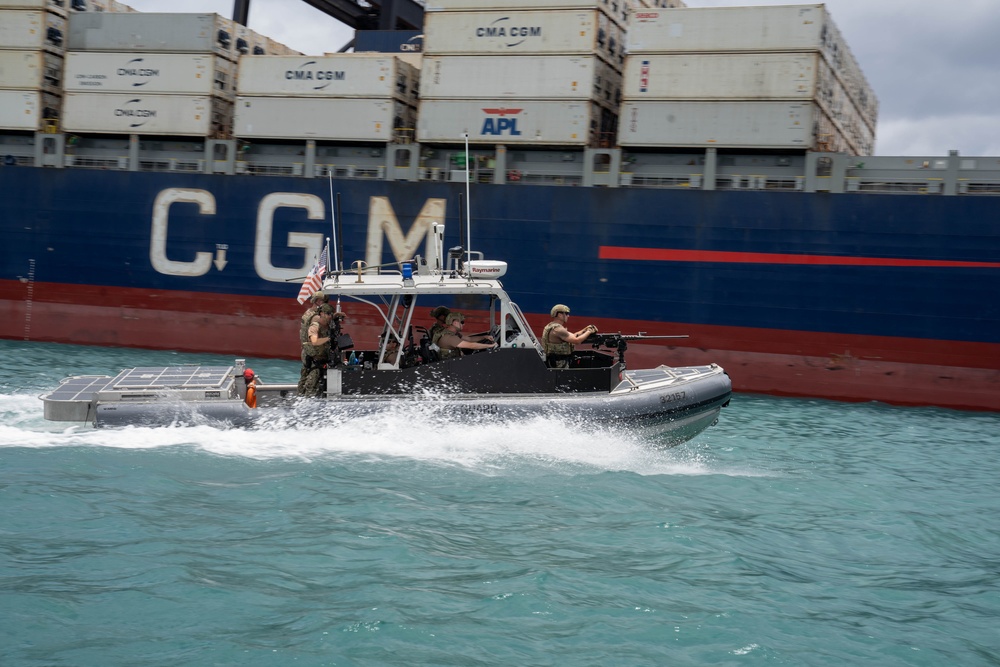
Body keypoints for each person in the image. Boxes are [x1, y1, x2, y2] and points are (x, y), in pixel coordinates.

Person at [542, 304, 598, 369]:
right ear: (560, 315)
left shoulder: (551, 326)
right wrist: (589, 332)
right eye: (566, 313)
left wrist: (585, 329)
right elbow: (577, 341)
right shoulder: (558, 330)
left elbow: (573, 336)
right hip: (559, 364)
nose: (568, 316)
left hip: (554, 362)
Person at [298, 304, 335, 396]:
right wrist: (328, 338)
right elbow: (314, 341)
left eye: (331, 314)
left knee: (319, 385)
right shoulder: (315, 326)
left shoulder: (328, 326)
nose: (330, 316)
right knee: (310, 384)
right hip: (313, 360)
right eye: (328, 314)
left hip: (322, 359)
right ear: (322, 314)